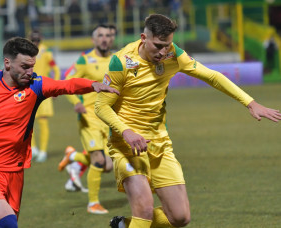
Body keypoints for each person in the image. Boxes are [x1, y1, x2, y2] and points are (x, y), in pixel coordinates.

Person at [93, 14, 281, 228]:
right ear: (144, 37)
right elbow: (101, 106)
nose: (163, 52)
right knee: (144, 210)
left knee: (180, 217)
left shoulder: (174, 54)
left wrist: (250, 102)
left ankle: (123, 225)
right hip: (127, 145)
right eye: (158, 45)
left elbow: (212, 76)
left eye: (168, 45)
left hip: (160, 144)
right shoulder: (121, 61)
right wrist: (126, 132)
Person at [0, 37, 119, 228]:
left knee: (3, 225)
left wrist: (93, 85)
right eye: (25, 66)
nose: (30, 72)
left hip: (15, 171)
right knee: (9, 222)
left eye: (32, 66)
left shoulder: (36, 85)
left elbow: (66, 86)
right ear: (7, 63)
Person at [58, 24, 114, 214]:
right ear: (94, 40)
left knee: (108, 165)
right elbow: (67, 82)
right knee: (98, 160)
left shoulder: (116, 60)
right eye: (100, 35)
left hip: (109, 118)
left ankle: (73, 156)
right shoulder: (85, 60)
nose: (104, 39)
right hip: (89, 116)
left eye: (108, 35)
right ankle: (93, 203)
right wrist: (76, 102)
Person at [29, 30, 61, 162]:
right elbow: (56, 70)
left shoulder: (42, 52)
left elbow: (56, 70)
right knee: (31, 122)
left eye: (36, 39)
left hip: (38, 90)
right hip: (35, 90)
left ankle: (40, 150)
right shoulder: (32, 53)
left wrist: (55, 87)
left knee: (38, 121)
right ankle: (36, 149)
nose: (35, 41)